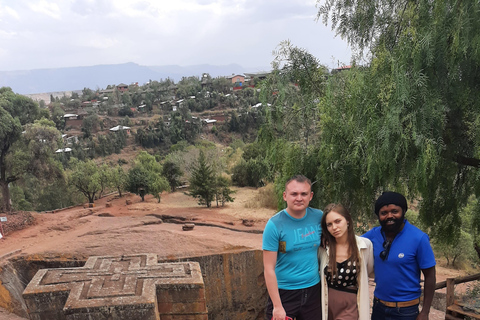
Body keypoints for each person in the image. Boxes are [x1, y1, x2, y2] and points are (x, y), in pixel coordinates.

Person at [363, 191, 436, 320]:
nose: (389, 216)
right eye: (384, 213)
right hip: (378, 307)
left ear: (403, 211)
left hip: (405, 311)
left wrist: (425, 312)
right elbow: (350, 243)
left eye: (394, 211)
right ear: (378, 216)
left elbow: (430, 276)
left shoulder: (418, 238)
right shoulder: (373, 235)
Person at [262, 175, 323, 320]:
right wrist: (277, 306)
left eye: (304, 194)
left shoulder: (319, 217)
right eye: (294, 194)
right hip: (284, 293)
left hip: (313, 291)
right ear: (285, 196)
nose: (299, 198)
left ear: (311, 196)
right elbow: (268, 268)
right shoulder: (274, 225)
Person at [318, 203, 374, 320]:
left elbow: (367, 271)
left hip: (349, 304)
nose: (334, 227)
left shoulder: (364, 246)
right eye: (329, 224)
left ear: (347, 220)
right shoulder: (323, 248)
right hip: (326, 302)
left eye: (338, 221)